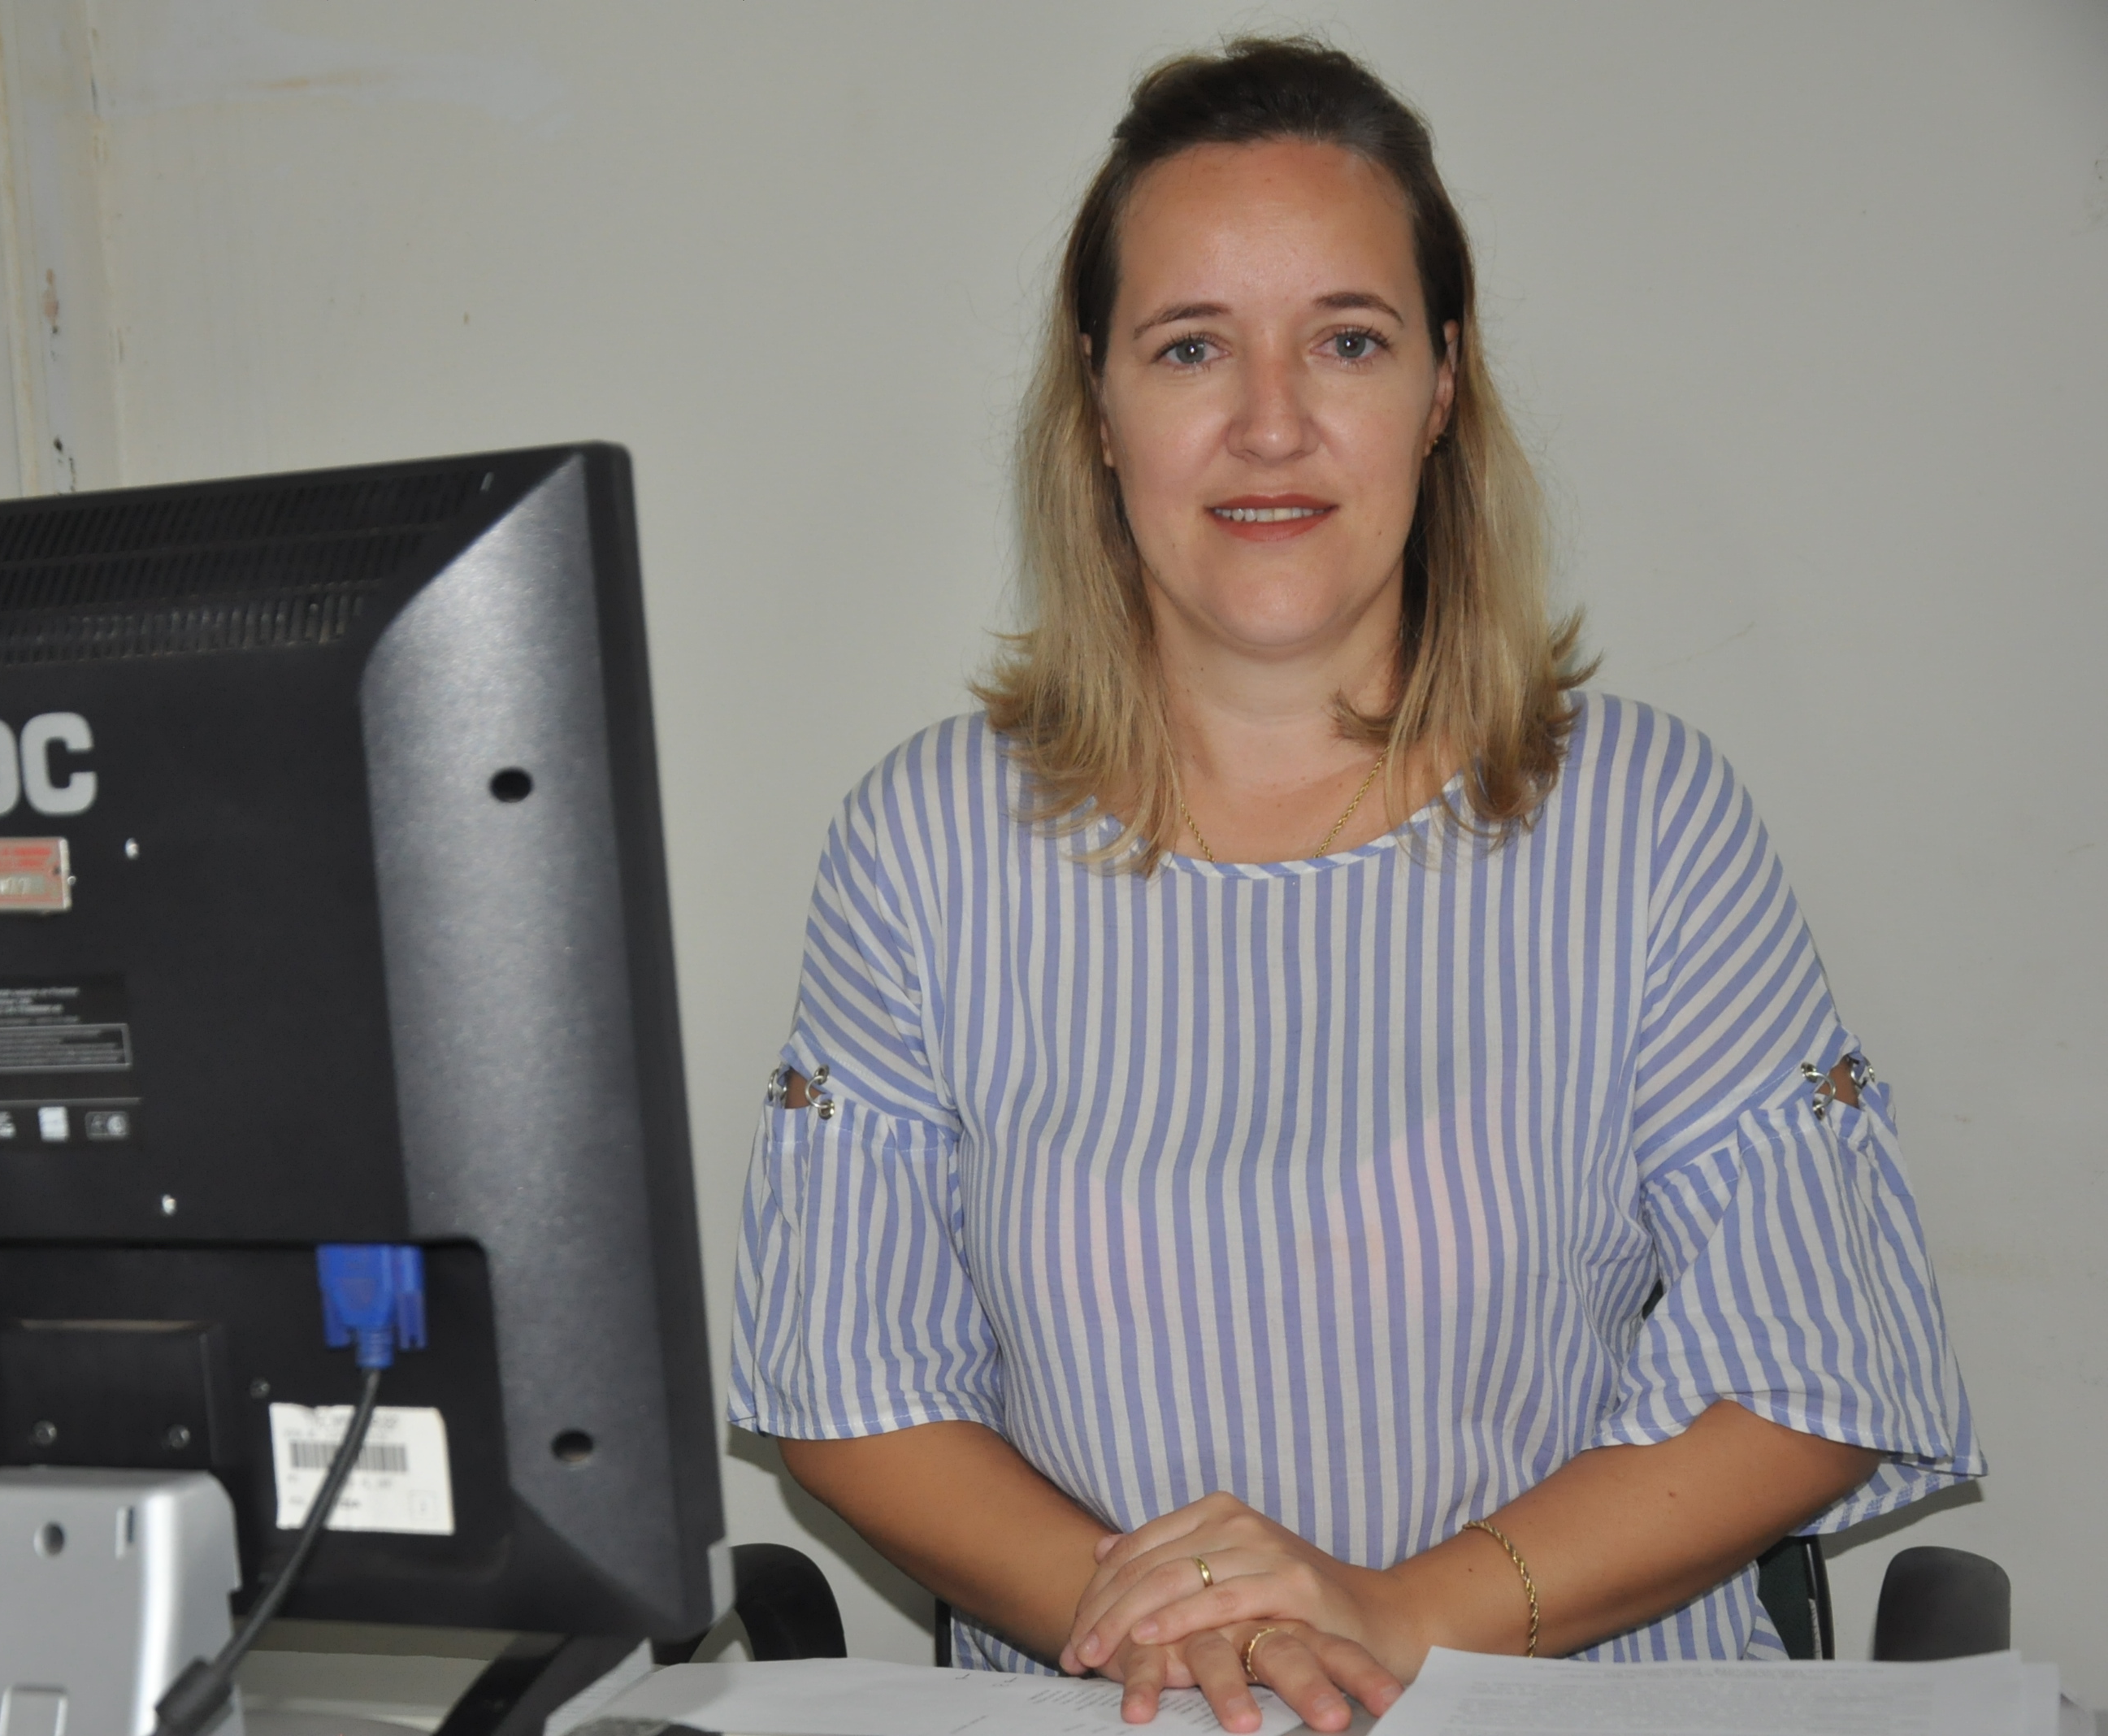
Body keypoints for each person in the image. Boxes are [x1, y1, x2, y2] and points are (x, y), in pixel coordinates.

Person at [726, 35, 1980, 1735]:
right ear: (1099, 404)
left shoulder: (1648, 820)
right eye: (1191, 347)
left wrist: (1397, 1619)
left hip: (1554, 1704)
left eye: (1348, 340)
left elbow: (1814, 1365)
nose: (1271, 425)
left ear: (1442, 387)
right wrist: (1194, 1640)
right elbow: (848, 1380)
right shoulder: (922, 849)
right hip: (1124, 1704)